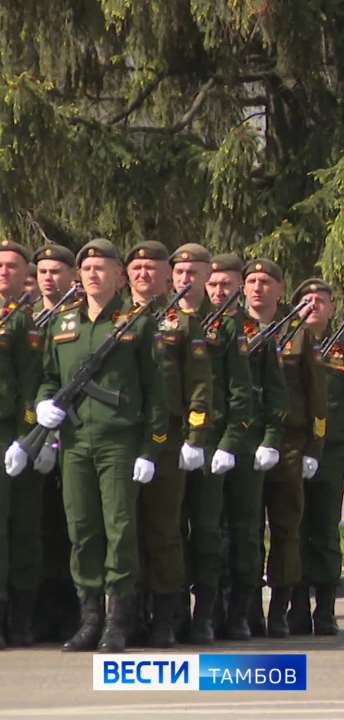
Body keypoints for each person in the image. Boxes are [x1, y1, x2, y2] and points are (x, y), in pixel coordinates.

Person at [34, 238, 167, 652]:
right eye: (87, 269)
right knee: (83, 530)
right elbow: (49, 378)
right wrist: (42, 405)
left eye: (102, 268)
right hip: (74, 443)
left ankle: (118, 622)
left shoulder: (137, 324)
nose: (93, 275)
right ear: (79, 276)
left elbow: (156, 393)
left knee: (120, 529)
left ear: (118, 276)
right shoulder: (63, 324)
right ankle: (89, 618)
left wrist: (151, 448)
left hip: (120, 443)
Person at [124, 240, 213, 648]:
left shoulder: (181, 321)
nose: (143, 274)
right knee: (124, 529)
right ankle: (129, 613)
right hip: (122, 436)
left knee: (164, 529)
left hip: (167, 439)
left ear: (165, 276)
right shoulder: (115, 318)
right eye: (137, 267)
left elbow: (199, 383)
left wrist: (195, 436)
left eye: (151, 268)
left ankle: (165, 616)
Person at [171, 243, 253, 645]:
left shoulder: (225, 327)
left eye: (194, 274)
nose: (187, 280)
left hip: (209, 443)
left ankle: (205, 615)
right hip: (167, 442)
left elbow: (240, 391)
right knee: (166, 532)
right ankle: (168, 615)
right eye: (181, 273)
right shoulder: (162, 320)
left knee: (206, 534)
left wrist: (228, 442)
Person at [244, 259, 326, 638]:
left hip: (289, 444)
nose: (258, 288)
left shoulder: (297, 334)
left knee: (285, 529)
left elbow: (316, 395)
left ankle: (280, 608)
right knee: (245, 530)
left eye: (266, 282)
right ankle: (247, 610)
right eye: (252, 281)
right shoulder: (233, 330)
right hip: (244, 440)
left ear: (280, 290)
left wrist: (315, 446)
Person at [288, 278, 344, 635]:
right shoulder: (284, 345)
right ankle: (294, 606)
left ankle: (325, 608)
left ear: (332, 308)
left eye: (320, 300)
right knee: (291, 530)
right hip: (292, 451)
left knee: (324, 531)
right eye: (306, 300)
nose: (313, 305)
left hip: (331, 455)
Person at [210, 254, 287, 641]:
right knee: (209, 532)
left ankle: (242, 612)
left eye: (226, 284)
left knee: (244, 531)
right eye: (213, 284)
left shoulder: (250, 332)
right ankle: (211, 610)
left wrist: (271, 439)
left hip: (244, 442)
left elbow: (274, 392)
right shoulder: (197, 329)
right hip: (205, 444)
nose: (219, 291)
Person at [29, 243, 78, 644]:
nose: (49, 278)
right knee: (39, 525)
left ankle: (71, 611)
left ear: (71, 277)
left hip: (75, 435)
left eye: (56, 271)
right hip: (31, 437)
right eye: (43, 271)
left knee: (72, 527)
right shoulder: (23, 318)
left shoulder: (75, 319)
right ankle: (41, 611)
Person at [0, 241, 40, 649]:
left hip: (8, 433)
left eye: (12, 266)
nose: (4, 272)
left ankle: (19, 618)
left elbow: (32, 386)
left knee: (19, 527)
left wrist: (28, 438)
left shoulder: (22, 322)